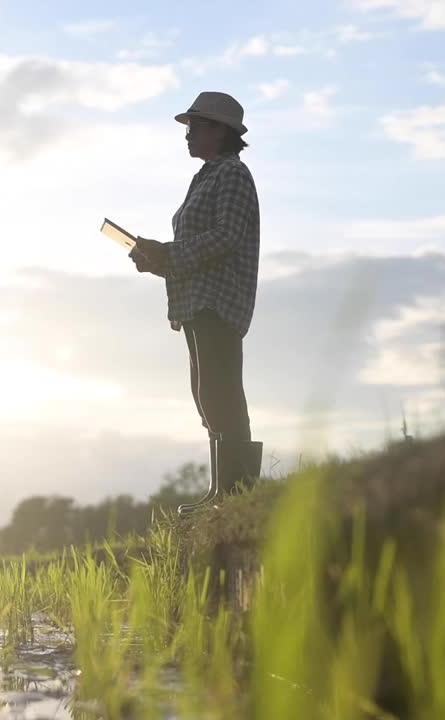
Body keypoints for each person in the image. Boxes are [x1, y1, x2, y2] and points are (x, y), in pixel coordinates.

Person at [129, 91, 263, 514]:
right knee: (206, 395)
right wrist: (158, 260)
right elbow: (198, 246)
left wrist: (169, 254)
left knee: (219, 392)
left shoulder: (232, 175)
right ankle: (223, 490)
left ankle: (237, 493)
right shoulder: (207, 176)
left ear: (218, 131)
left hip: (218, 300)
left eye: (195, 126)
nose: (187, 134)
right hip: (195, 300)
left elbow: (227, 236)